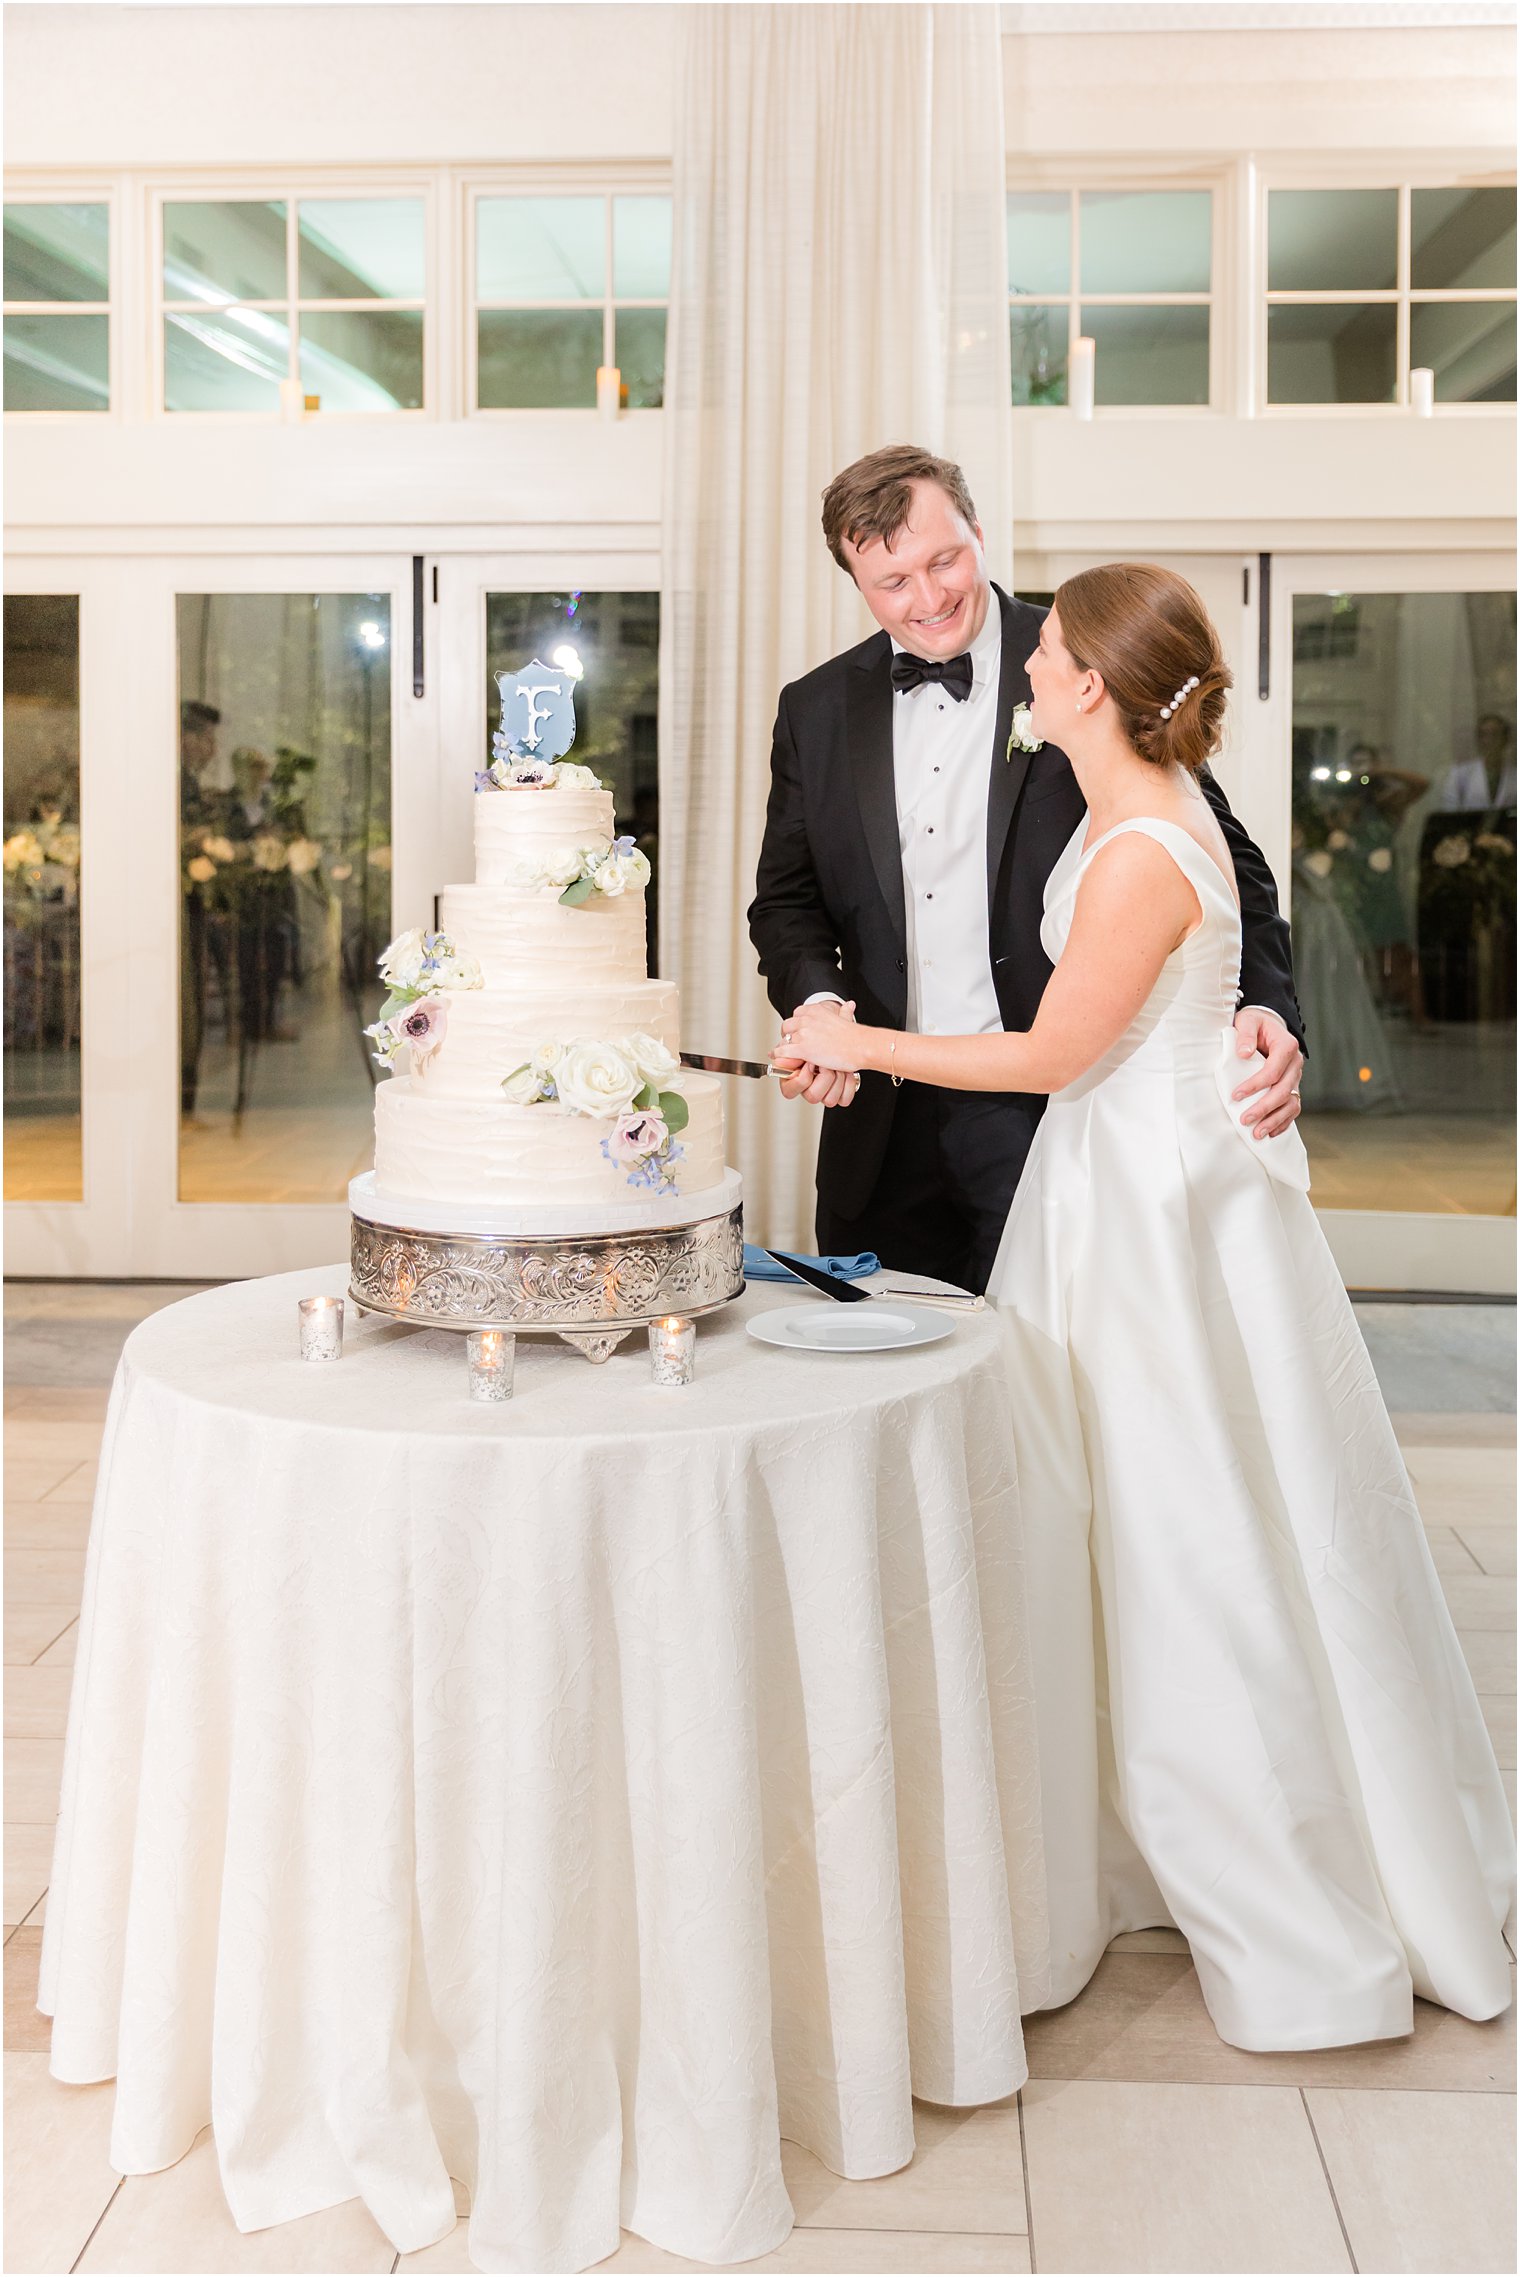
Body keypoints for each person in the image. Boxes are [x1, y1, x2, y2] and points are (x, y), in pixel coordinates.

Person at [778, 565, 1515, 2053]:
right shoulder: (1128, 804)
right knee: (1162, 1509)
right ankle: (1137, 1820)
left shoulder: (1139, 845)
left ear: (1093, 688)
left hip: (1153, 1205)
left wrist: (863, 1040)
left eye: (1047, 654)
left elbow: (1055, 1053)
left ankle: (1266, 1863)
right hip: (1122, 1181)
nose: (1026, 664)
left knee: (1185, 1522)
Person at [749, 445, 1305, 1293]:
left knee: (1042, 1374)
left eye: (945, 560)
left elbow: (1223, 859)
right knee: (888, 1376)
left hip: (1055, 1111)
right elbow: (786, 903)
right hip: (881, 1126)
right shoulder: (815, 708)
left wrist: (1265, 1000)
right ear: (854, 578)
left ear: (978, 529)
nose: (930, 598)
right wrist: (822, 1009)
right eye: (894, 581)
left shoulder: (1082, 660)